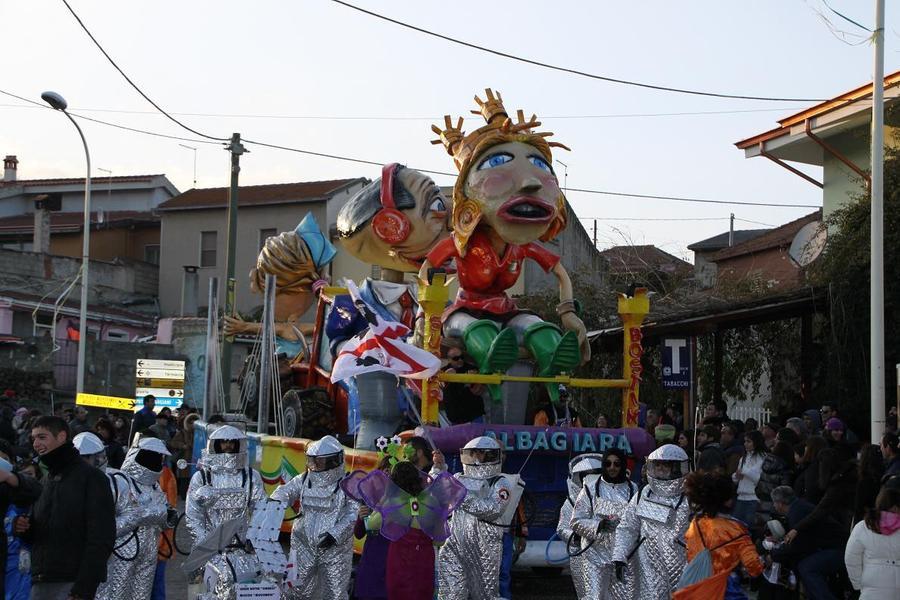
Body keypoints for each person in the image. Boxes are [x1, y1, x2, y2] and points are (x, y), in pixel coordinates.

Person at [17, 416, 114, 599]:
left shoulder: (91, 478)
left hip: (72, 584)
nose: (36, 444)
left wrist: (83, 588)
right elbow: (44, 532)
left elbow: (101, 537)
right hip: (41, 581)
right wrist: (24, 527)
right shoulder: (45, 480)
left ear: (61, 437)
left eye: (42, 437)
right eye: (34, 438)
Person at [185, 425, 266, 599]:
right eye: (223, 442)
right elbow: (193, 517)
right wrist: (207, 545)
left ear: (240, 445)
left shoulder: (252, 477)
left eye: (232, 442)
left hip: (243, 550)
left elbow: (261, 511)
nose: (228, 446)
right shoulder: (202, 477)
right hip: (210, 552)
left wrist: (254, 538)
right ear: (214, 445)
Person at [272, 435, 357, 600]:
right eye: (313, 461)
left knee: (335, 593)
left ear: (333, 461)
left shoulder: (347, 484)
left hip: (335, 550)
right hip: (303, 545)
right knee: (295, 590)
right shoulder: (304, 479)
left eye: (320, 462)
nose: (315, 466)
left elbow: (353, 515)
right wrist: (274, 502)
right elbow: (285, 491)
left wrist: (335, 534)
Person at [435, 436, 513, 600]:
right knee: (451, 595)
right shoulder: (457, 478)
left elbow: (493, 510)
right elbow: (437, 494)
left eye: (481, 454)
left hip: (485, 549)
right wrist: (438, 468)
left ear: (491, 456)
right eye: (473, 454)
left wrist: (461, 495)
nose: (476, 459)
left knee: (484, 595)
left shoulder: (501, 483)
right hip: (454, 546)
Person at [612, 444, 692, 599]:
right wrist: (620, 556)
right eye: (658, 465)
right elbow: (627, 528)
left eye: (666, 465)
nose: (661, 469)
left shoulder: (690, 497)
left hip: (682, 561)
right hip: (648, 563)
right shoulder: (643, 494)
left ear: (676, 468)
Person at [72, 432, 140, 600]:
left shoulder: (118, 481)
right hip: (71, 555)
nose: (85, 463)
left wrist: (103, 532)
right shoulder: (62, 481)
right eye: (81, 458)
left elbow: (132, 514)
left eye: (89, 458)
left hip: (109, 553)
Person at [675, 472, 763, 599]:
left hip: (698, 588)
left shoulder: (696, 523)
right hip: (726, 591)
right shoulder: (737, 530)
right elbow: (754, 567)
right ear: (727, 501)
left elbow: (690, 554)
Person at [571, 448, 638, 600]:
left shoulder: (633, 489)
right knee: (595, 596)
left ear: (623, 466)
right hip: (594, 555)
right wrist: (598, 526)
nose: (612, 468)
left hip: (623, 556)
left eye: (616, 464)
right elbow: (576, 521)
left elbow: (637, 522)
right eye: (607, 464)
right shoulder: (590, 488)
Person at [115, 437, 172, 600]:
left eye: (159, 457)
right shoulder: (120, 482)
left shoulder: (155, 485)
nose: (155, 460)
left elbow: (163, 520)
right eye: (150, 455)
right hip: (123, 552)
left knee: (142, 595)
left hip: (149, 550)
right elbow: (109, 526)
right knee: (117, 594)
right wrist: (143, 515)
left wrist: (167, 517)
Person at [769, 486, 847, 600]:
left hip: (839, 549)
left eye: (774, 503)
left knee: (807, 567)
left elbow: (796, 545)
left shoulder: (796, 512)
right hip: (834, 546)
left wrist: (773, 555)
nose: (774, 506)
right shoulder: (799, 507)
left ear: (780, 503)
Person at [556, 454, 603, 599]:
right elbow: (561, 528)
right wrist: (575, 536)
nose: (589, 477)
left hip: (603, 552)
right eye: (585, 475)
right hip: (580, 554)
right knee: (585, 593)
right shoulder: (570, 502)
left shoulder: (609, 496)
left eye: (594, 473)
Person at [843, 486, 900, 599]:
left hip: (870, 586)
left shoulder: (862, 527)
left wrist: (858, 583)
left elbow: (850, 557)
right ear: (896, 507)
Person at [0, 440, 40, 600]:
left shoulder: (20, 491)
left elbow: (36, 490)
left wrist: (12, 478)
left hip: (19, 568)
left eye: (4, 460)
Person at [352, 457, 392, 600]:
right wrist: (361, 517)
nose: (386, 476)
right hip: (371, 557)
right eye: (384, 471)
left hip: (391, 559)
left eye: (391, 472)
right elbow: (358, 534)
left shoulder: (400, 500)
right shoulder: (369, 498)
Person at [755, 440, 795, 531]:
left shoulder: (765, 466)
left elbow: (758, 488)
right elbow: (785, 491)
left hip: (761, 504)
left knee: (761, 532)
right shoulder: (785, 471)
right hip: (777, 507)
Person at [440, 348, 486, 424]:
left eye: (462, 357)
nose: (460, 360)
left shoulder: (471, 368)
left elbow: (478, 390)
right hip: (456, 416)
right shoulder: (443, 371)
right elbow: (440, 387)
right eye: (456, 358)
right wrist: (447, 377)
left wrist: (475, 381)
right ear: (449, 360)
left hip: (474, 413)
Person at [732, 430, 766, 528]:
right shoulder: (743, 458)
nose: (745, 444)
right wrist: (736, 476)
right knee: (736, 528)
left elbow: (759, 478)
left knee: (749, 528)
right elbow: (736, 478)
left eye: (748, 441)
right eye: (745, 441)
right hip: (741, 497)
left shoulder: (762, 457)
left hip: (753, 498)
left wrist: (744, 472)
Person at [855, 444, 885, 523]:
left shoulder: (864, 481)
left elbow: (859, 507)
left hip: (867, 520)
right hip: (882, 519)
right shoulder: (884, 477)